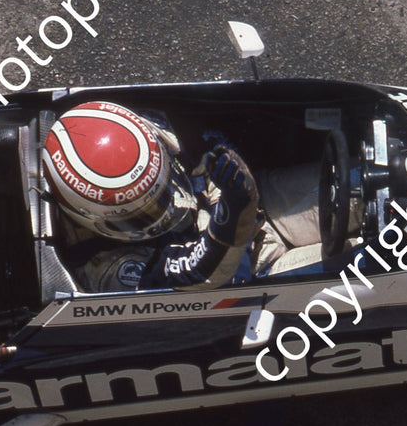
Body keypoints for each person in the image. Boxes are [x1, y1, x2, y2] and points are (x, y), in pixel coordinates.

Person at [42, 100, 261, 292]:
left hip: (236, 208)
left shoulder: (145, 133)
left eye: (161, 189)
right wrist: (235, 205)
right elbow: (202, 271)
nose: (162, 213)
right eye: (142, 214)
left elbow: (215, 150)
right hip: (234, 259)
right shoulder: (109, 267)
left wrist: (230, 194)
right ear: (86, 217)